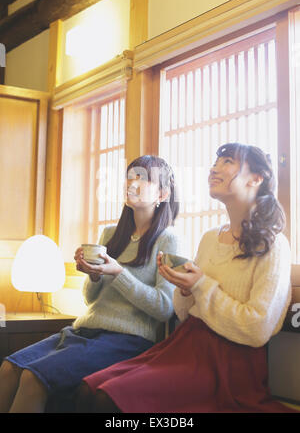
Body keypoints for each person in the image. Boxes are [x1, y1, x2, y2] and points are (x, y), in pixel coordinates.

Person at [76, 142, 298, 413]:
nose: (214, 168)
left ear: (256, 178)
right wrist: (184, 289)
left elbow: (257, 329)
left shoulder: (274, 246)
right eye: (215, 163)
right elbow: (184, 313)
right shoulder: (209, 238)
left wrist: (201, 285)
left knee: (108, 399)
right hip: (185, 344)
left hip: (229, 362)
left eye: (227, 162)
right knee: (89, 388)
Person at [0, 155, 180, 413]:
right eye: (130, 176)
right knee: (8, 368)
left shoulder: (168, 239)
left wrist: (118, 273)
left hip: (127, 340)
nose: (132, 183)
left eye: (143, 178)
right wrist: (93, 274)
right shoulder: (110, 234)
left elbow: (163, 308)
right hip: (83, 331)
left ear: (162, 194)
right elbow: (91, 299)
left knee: (33, 378)